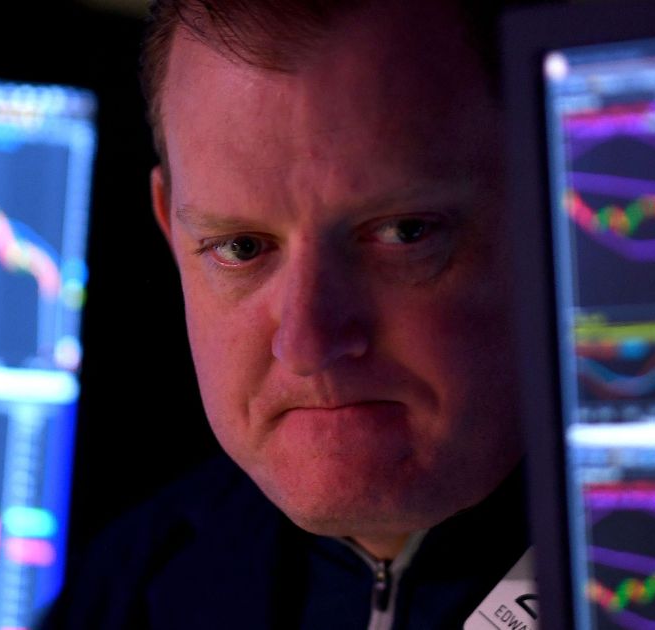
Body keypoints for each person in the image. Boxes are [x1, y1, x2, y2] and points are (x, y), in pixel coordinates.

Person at [41, 0, 537, 627]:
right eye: (240, 248)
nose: (307, 345)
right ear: (172, 231)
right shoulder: (116, 596)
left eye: (405, 233)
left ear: (552, 194)